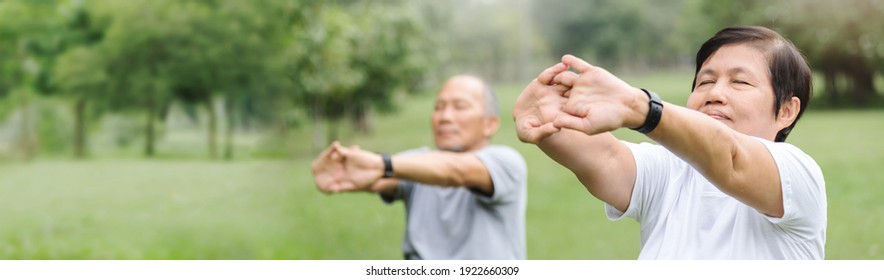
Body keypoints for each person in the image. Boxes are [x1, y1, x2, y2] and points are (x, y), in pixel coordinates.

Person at [513, 26, 825, 259]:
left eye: (740, 82)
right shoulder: (670, 169)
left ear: (786, 111)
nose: (715, 93)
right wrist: (548, 119)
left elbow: (731, 159)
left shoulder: (796, 174)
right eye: (705, 81)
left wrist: (641, 108)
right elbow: (606, 159)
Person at [312, 75, 527, 260]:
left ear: (490, 124)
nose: (445, 117)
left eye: (460, 107)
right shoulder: (416, 162)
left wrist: (382, 164)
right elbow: (378, 176)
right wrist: (341, 172)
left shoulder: (506, 162)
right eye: (439, 107)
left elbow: (458, 172)